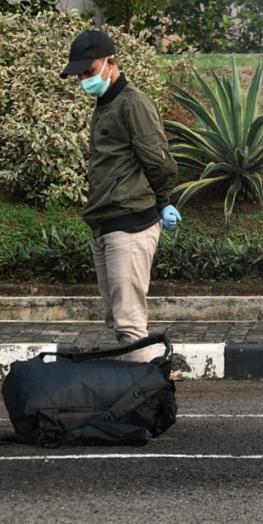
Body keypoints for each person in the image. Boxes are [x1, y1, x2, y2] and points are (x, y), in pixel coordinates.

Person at [61, 29, 181, 362]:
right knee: (118, 322)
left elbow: (158, 160)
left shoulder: (132, 103)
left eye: (89, 71)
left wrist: (163, 202)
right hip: (107, 223)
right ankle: (137, 386)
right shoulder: (106, 104)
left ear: (111, 62)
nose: (84, 80)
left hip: (130, 223)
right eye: (80, 75)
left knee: (129, 325)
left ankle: (143, 391)